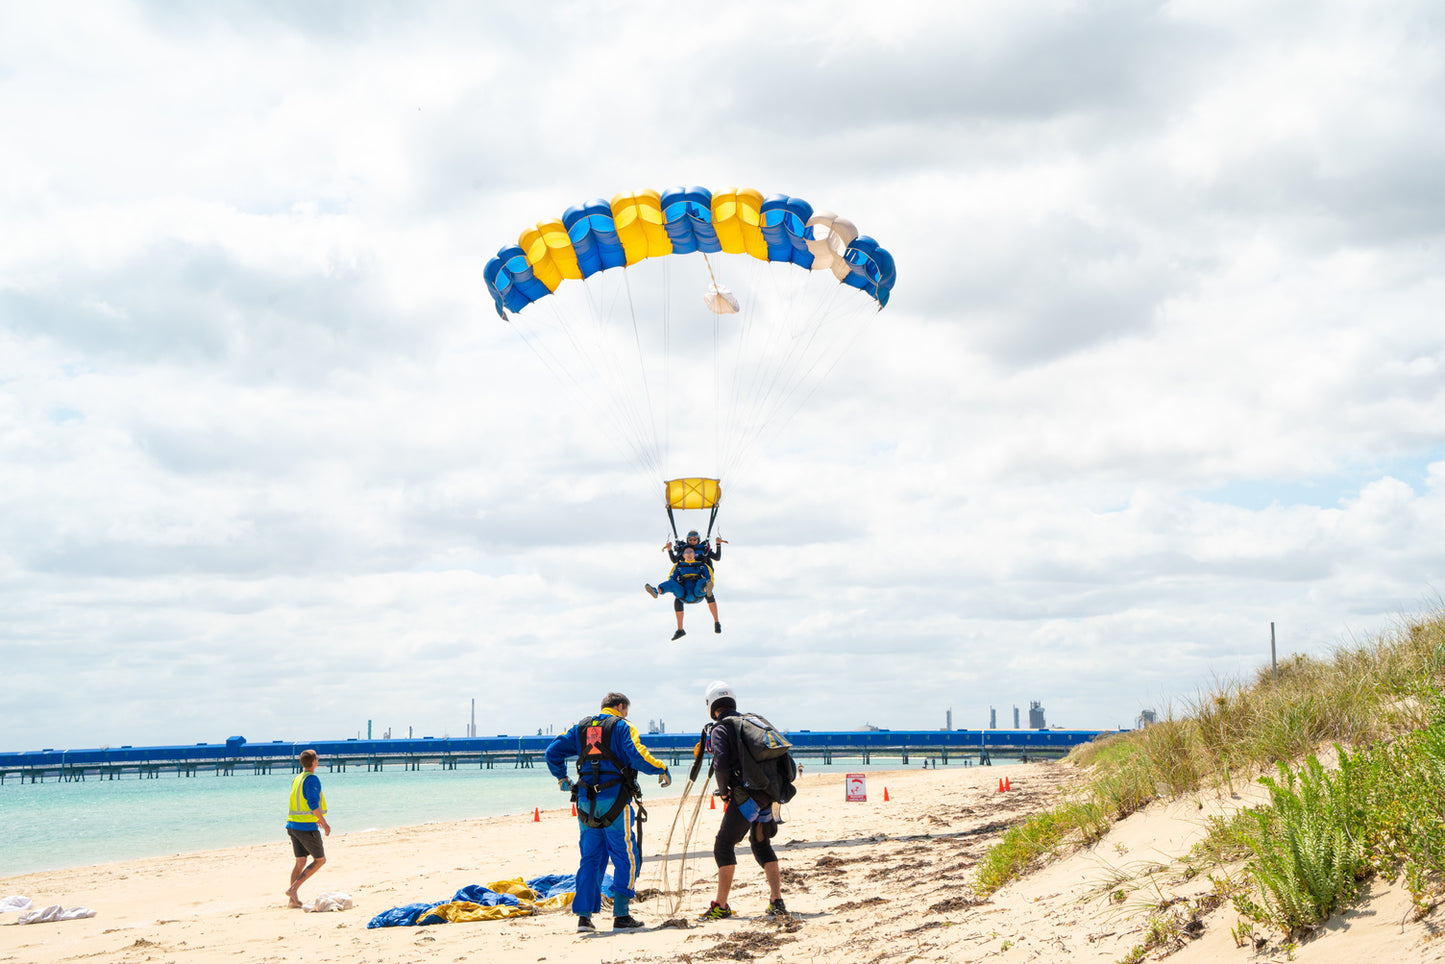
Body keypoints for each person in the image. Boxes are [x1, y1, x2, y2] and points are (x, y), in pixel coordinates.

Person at [546, 692, 672, 933]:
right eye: (626, 710)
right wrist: (662, 768)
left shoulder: (580, 728)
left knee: (590, 858)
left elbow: (552, 752)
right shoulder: (622, 726)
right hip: (614, 800)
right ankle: (622, 915)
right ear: (621, 707)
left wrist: (562, 777)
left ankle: (584, 918)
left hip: (584, 803)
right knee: (626, 855)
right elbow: (637, 755)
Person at [696, 680, 788, 921]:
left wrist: (724, 791)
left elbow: (721, 763)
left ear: (711, 706)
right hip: (770, 794)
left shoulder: (721, 728)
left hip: (748, 797)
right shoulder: (752, 722)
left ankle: (721, 905)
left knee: (723, 845)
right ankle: (776, 900)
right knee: (760, 844)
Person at [284, 748, 331, 908]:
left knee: (300, 861)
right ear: (314, 762)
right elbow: (312, 802)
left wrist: (315, 818)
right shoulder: (312, 779)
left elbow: (301, 803)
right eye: (317, 759)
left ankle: (292, 901)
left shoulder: (297, 778)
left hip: (292, 825)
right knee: (320, 860)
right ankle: (293, 889)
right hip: (305, 827)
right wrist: (323, 822)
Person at [645, 547, 714, 640]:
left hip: (697, 593)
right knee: (672, 583)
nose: (689, 554)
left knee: (702, 581)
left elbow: (709, 577)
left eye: (691, 552)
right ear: (683, 555)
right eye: (687, 552)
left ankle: (707, 589)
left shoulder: (702, 565)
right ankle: (657, 591)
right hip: (683, 594)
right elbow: (672, 578)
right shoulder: (679, 566)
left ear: (695, 554)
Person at [663, 530, 723, 634]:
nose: (692, 541)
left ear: (698, 540)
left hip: (702, 575)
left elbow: (717, 557)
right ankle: (680, 629)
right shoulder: (684, 550)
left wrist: (718, 544)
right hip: (686, 577)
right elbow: (674, 560)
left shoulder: (703, 549)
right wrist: (669, 550)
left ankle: (716, 622)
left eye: (694, 539)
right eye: (690, 540)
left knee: (708, 594)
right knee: (678, 599)